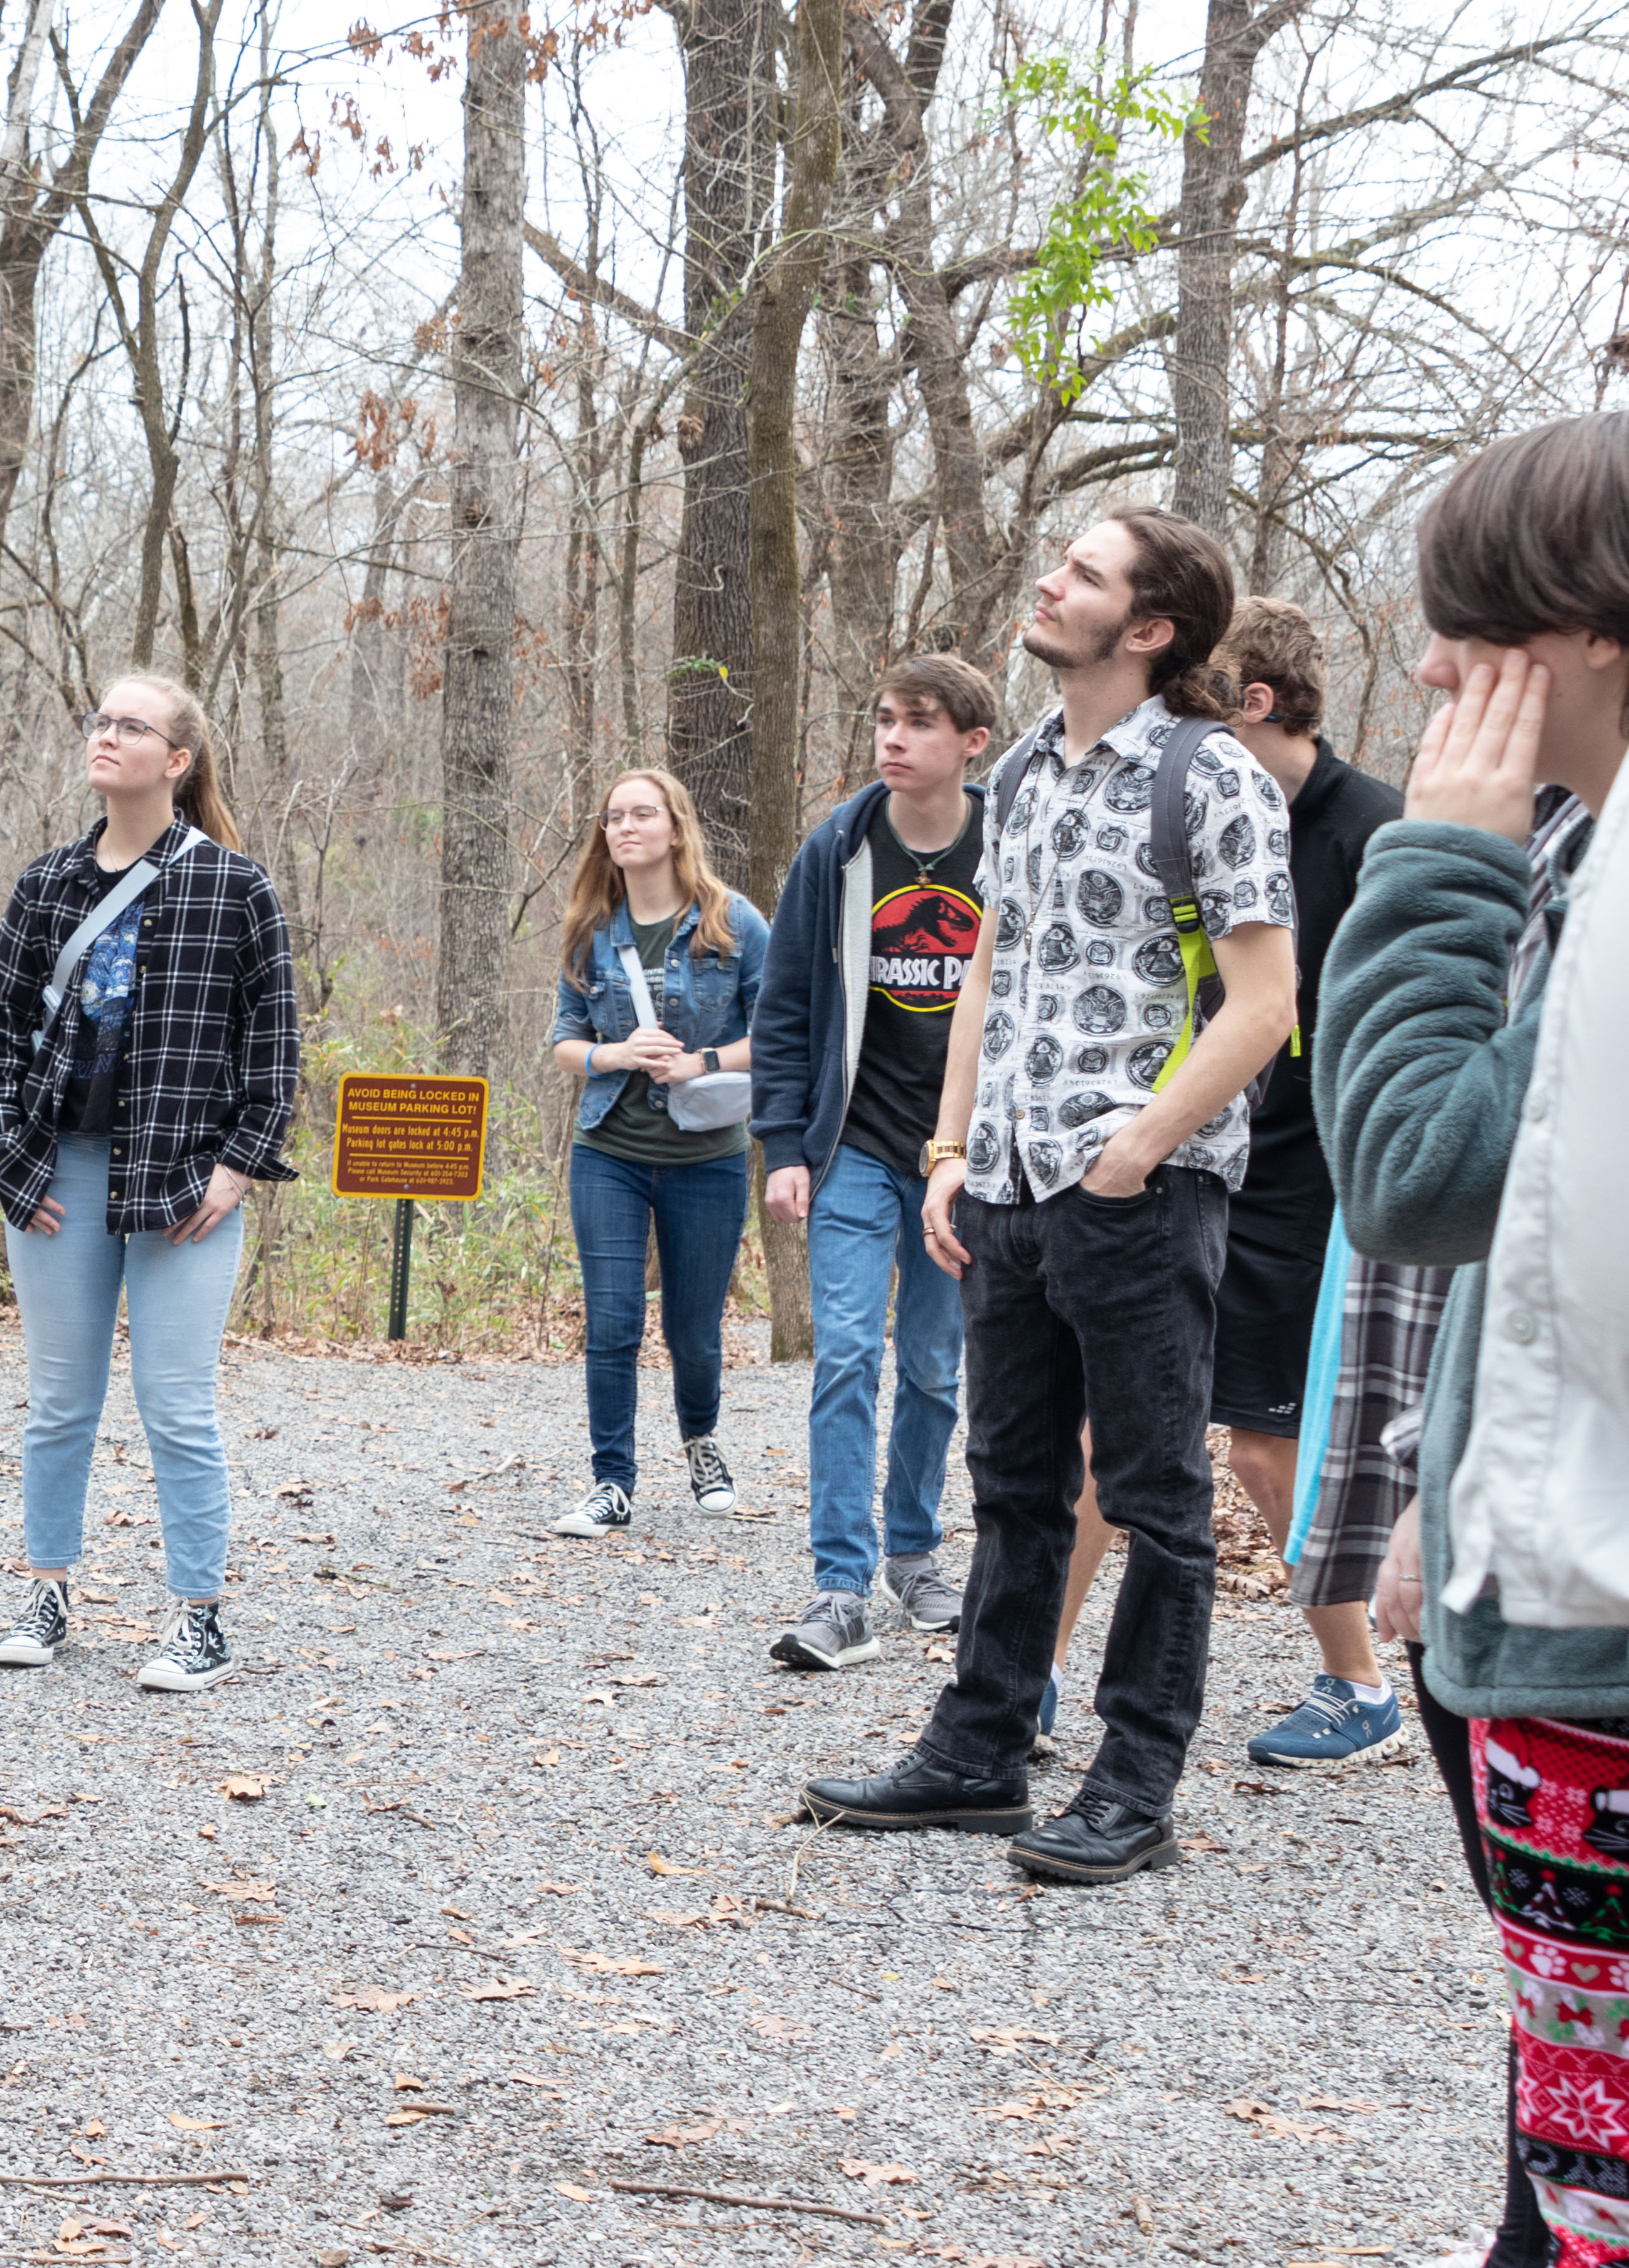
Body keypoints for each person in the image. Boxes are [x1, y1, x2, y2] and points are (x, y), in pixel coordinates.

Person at [801, 504, 1296, 1886]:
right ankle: (978, 1749)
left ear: (1150, 627)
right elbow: (986, 972)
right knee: (1011, 1482)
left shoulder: (1211, 778)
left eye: (1083, 572)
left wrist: (1139, 1146)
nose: (1048, 578)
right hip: (1007, 1186)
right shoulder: (1018, 772)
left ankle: (1136, 1783)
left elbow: (1264, 1003)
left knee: (1153, 1494)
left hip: (1141, 1189)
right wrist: (950, 1149)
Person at [1326, 415, 1629, 2268]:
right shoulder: (1593, 850)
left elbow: (1417, 1165)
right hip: (1540, 1567)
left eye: (1468, 628)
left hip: (1590, 1641)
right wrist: (1452, 1488)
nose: (1433, 671)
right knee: (1562, 2132)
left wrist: (1434, 854)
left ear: (1589, 628)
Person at [0, 675, 299, 1691]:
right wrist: (14, 1160)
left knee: (176, 1404)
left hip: (184, 1181)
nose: (107, 736)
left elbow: (275, 1052)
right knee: (60, 1402)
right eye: (101, 722)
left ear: (178, 762)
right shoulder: (46, 884)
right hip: (61, 1170)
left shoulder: (237, 888)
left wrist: (238, 1171)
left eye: (132, 726)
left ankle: (199, 1619)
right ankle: (49, 1593)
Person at [1189, 597, 1413, 1768]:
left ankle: (1361, 1679)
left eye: (1200, 694)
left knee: (1269, 1450)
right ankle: (1030, 1677)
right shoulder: (1198, 819)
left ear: (1255, 704)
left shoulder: (1375, 832)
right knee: (1089, 1429)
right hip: (1198, 1156)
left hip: (1320, 1182)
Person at [752, 656, 997, 1668]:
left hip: (966, 1157)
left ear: (972, 742)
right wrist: (783, 1144)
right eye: (885, 720)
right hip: (852, 1143)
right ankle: (840, 1586)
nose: (893, 740)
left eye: (921, 724)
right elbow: (788, 1006)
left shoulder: (1010, 845)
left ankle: (913, 1554)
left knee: (935, 1368)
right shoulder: (840, 849)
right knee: (847, 1353)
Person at [546, 766, 767, 1538]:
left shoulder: (733, 923)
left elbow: (776, 1036)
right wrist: (616, 1054)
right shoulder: (592, 928)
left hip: (706, 1154)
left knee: (693, 1327)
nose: (626, 828)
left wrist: (700, 1064)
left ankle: (701, 1441)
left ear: (676, 827)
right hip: (608, 1148)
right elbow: (564, 1042)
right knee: (612, 1321)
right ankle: (613, 1481)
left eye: (642, 814)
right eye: (613, 817)